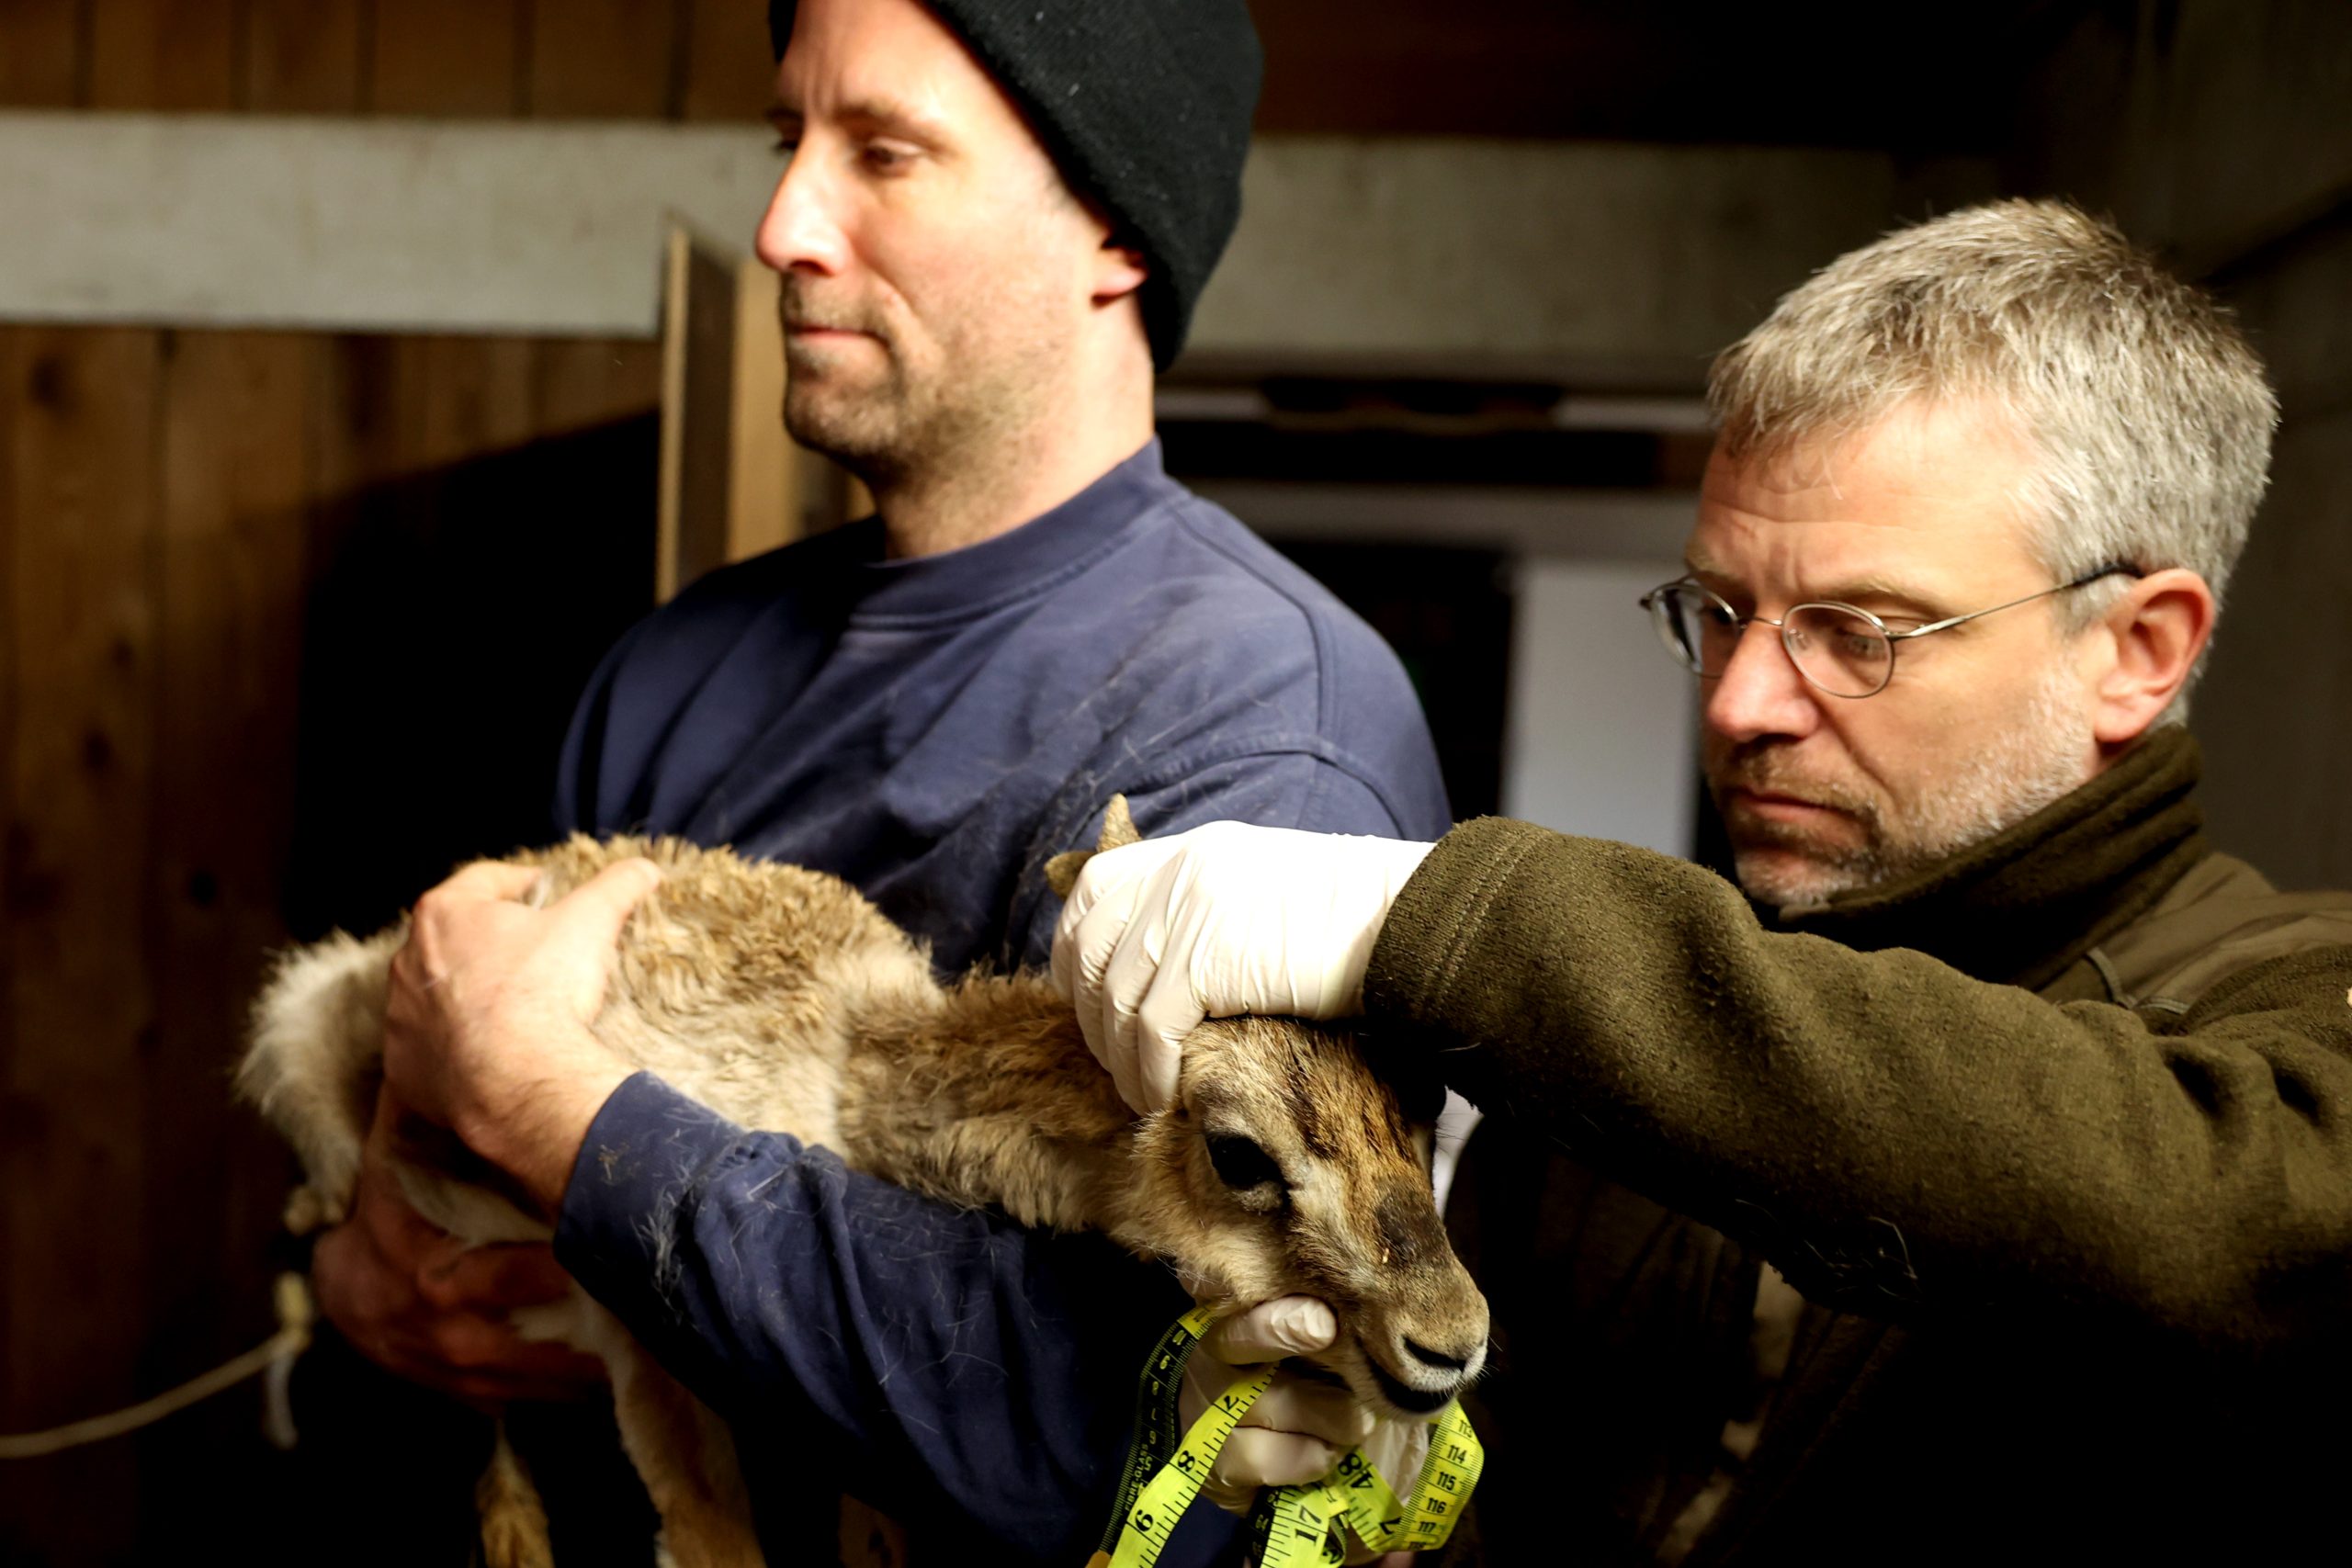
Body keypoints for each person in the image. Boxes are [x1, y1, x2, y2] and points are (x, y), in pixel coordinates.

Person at [312, 0, 1451, 1562]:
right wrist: (361, 1267)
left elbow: (1139, 1446)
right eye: (790, 143)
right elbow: (435, 1194)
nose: (782, 224)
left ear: (1112, 233)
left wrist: (562, 1124)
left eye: (887, 153)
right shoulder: (673, 671)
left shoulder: (1258, 726)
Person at [1055, 199, 2352, 1563]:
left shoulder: (2286, 1005)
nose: (1739, 702)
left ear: (2136, 649)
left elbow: (2241, 1226)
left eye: (1858, 632)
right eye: (1720, 611)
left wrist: (1440, 920)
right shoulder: (1603, 1069)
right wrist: (1364, 1492)